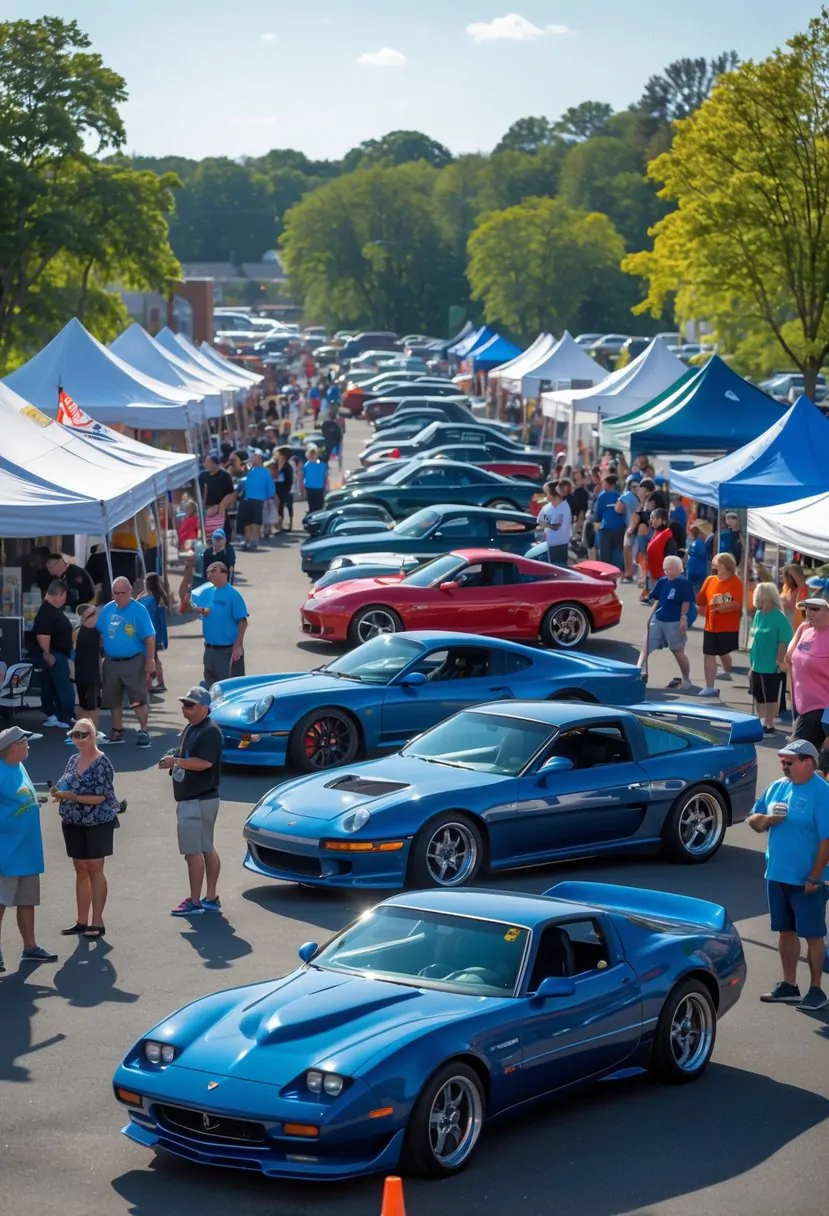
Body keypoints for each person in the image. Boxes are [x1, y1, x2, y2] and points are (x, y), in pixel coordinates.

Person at [749, 739, 829, 1011]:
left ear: (808, 763)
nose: (784, 766)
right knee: (786, 931)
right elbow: (754, 820)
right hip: (777, 874)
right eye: (782, 761)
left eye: (790, 762)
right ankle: (789, 985)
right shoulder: (777, 788)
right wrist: (768, 819)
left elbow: (826, 841)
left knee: (813, 934)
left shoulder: (823, 793)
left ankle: (816, 990)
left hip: (808, 879)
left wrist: (815, 876)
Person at [52, 719, 120, 940]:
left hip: (97, 822)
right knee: (80, 868)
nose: (79, 739)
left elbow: (102, 796)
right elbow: (65, 783)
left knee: (94, 868)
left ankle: (97, 921)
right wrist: (59, 793)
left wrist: (75, 797)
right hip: (73, 822)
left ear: (93, 736)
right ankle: (82, 921)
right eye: (75, 735)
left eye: (84, 735)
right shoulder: (73, 760)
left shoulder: (103, 763)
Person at [159, 686, 223, 917]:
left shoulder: (209, 731)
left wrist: (176, 761)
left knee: (193, 852)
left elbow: (205, 762)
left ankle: (195, 902)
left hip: (196, 800)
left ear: (204, 708)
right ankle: (211, 897)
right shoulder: (194, 727)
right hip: (202, 799)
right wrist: (176, 758)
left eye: (190, 705)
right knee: (206, 847)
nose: (184, 708)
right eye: (184, 704)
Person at [0, 726, 57, 971]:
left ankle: (30, 947)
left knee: (27, 900)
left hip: (27, 850)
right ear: (13, 747)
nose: (29, 745)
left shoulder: (19, 765)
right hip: (7, 852)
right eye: (26, 741)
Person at [96, 577, 156, 747]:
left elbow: (150, 638)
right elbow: (100, 633)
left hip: (133, 660)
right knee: (113, 699)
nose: (119, 596)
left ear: (130, 592)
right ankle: (117, 730)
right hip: (111, 661)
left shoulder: (139, 610)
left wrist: (150, 660)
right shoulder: (107, 609)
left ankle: (143, 729)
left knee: (137, 697)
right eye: (116, 593)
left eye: (123, 593)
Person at [784, 596, 829, 771]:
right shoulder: (805, 629)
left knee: (807, 765)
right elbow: (789, 658)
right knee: (798, 762)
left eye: (815, 609)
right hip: (803, 706)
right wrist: (800, 630)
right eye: (807, 609)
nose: (809, 613)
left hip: (824, 709)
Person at [640, 555, 694, 689]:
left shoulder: (684, 583)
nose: (666, 572)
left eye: (669, 570)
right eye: (665, 570)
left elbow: (686, 602)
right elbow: (656, 598)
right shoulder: (663, 581)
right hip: (658, 619)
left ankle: (686, 680)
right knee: (645, 646)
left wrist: (683, 618)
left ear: (677, 569)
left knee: (677, 651)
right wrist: (650, 615)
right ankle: (639, 671)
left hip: (674, 622)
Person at [696, 551, 743, 697]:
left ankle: (727, 671)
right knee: (709, 654)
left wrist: (721, 608)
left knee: (723, 653)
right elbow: (701, 600)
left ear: (727, 566)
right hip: (710, 625)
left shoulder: (735, 581)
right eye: (717, 564)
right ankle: (709, 687)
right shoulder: (710, 580)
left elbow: (737, 603)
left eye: (720, 564)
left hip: (728, 626)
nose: (717, 567)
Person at [749, 583, 794, 734]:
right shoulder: (758, 614)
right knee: (758, 692)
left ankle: (769, 722)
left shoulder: (779, 617)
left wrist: (779, 659)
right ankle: (761, 719)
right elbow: (753, 636)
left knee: (771, 694)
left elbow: (785, 639)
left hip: (772, 664)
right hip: (757, 662)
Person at [195, 562, 249, 685]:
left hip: (227, 651)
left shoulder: (233, 595)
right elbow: (201, 610)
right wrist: (201, 610)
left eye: (213, 570)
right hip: (209, 650)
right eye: (208, 571)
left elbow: (242, 621)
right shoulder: (207, 593)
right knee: (211, 688)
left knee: (230, 688)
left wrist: (239, 644)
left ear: (224, 573)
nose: (209, 573)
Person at [33, 578, 75, 729]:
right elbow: (42, 634)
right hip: (54, 655)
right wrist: (48, 654)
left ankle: (59, 715)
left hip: (57, 654)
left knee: (55, 686)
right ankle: (62, 715)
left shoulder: (51, 610)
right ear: (61, 594)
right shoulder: (47, 611)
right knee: (61, 687)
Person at [73, 603, 104, 737]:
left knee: (84, 706)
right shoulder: (98, 633)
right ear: (87, 616)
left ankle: (84, 732)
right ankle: (94, 734)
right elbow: (101, 654)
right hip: (92, 674)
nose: (97, 616)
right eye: (94, 613)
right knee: (92, 708)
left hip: (80, 674)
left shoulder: (76, 632)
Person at [138, 573, 170, 693]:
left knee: (153, 657)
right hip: (154, 632)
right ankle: (156, 681)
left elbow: (149, 616)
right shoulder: (155, 596)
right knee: (153, 657)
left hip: (151, 632)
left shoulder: (153, 598)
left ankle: (157, 682)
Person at [237, 452, 275, 551]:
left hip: (259, 500)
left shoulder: (265, 472)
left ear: (259, 461)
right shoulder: (250, 471)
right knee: (247, 522)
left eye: (254, 459)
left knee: (255, 521)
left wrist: (269, 497)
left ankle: (255, 539)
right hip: (247, 498)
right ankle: (247, 540)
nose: (252, 461)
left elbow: (270, 486)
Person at [593, 474, 626, 570]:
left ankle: (606, 576)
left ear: (608, 484)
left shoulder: (602, 497)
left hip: (605, 530)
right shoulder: (620, 496)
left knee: (605, 557)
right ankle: (616, 576)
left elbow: (597, 514)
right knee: (617, 555)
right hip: (619, 529)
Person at [536, 479, 572, 566]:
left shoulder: (564, 508)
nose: (546, 495)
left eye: (547, 492)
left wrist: (545, 525)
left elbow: (556, 527)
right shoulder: (546, 508)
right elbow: (538, 523)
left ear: (554, 493)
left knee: (559, 572)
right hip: (545, 547)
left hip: (560, 547)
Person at [200, 454, 236, 533]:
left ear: (215, 463)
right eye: (206, 462)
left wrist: (221, 506)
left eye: (209, 462)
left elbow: (231, 493)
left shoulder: (225, 476)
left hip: (220, 508)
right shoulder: (202, 476)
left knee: (222, 531)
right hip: (206, 509)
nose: (206, 464)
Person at [645, 509, 677, 593]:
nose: (653, 520)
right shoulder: (655, 534)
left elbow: (670, 557)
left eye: (656, 518)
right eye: (652, 518)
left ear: (664, 521)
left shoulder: (667, 537)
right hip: (653, 574)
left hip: (663, 575)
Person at [618, 476, 640, 582]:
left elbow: (618, 509)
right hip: (641, 528)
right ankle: (636, 575)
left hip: (631, 527)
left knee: (628, 549)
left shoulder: (627, 496)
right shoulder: (642, 498)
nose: (635, 488)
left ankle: (629, 574)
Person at [301, 444, 329, 513]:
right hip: (309, 488)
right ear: (308, 456)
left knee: (319, 507)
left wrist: (326, 487)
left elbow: (325, 477)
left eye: (314, 455)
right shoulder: (306, 465)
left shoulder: (321, 464)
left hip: (319, 488)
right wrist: (303, 489)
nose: (312, 456)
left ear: (316, 455)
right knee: (311, 506)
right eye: (311, 455)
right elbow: (303, 477)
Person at [685, 521, 710, 596]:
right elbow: (704, 553)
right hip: (700, 572)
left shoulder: (692, 543)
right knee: (699, 592)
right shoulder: (701, 544)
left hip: (690, 570)